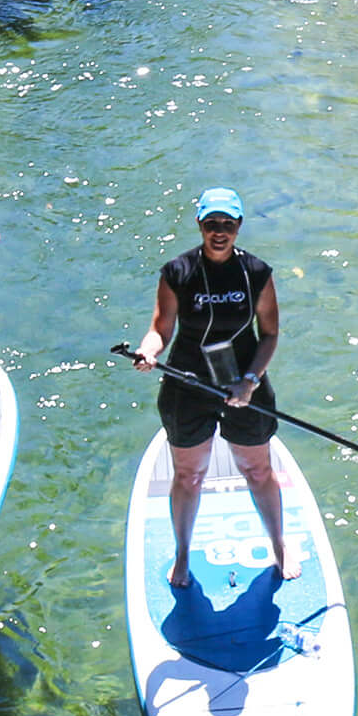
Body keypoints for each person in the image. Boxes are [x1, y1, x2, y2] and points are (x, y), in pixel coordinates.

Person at [127, 186, 297, 587]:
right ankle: (182, 553)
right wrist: (147, 351)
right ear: (200, 225)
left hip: (244, 384)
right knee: (188, 476)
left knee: (258, 470)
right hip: (187, 383)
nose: (219, 232)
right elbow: (159, 329)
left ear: (238, 226)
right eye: (211, 224)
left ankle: (279, 544)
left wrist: (251, 381)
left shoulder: (257, 273)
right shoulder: (177, 272)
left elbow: (270, 334)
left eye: (227, 224)